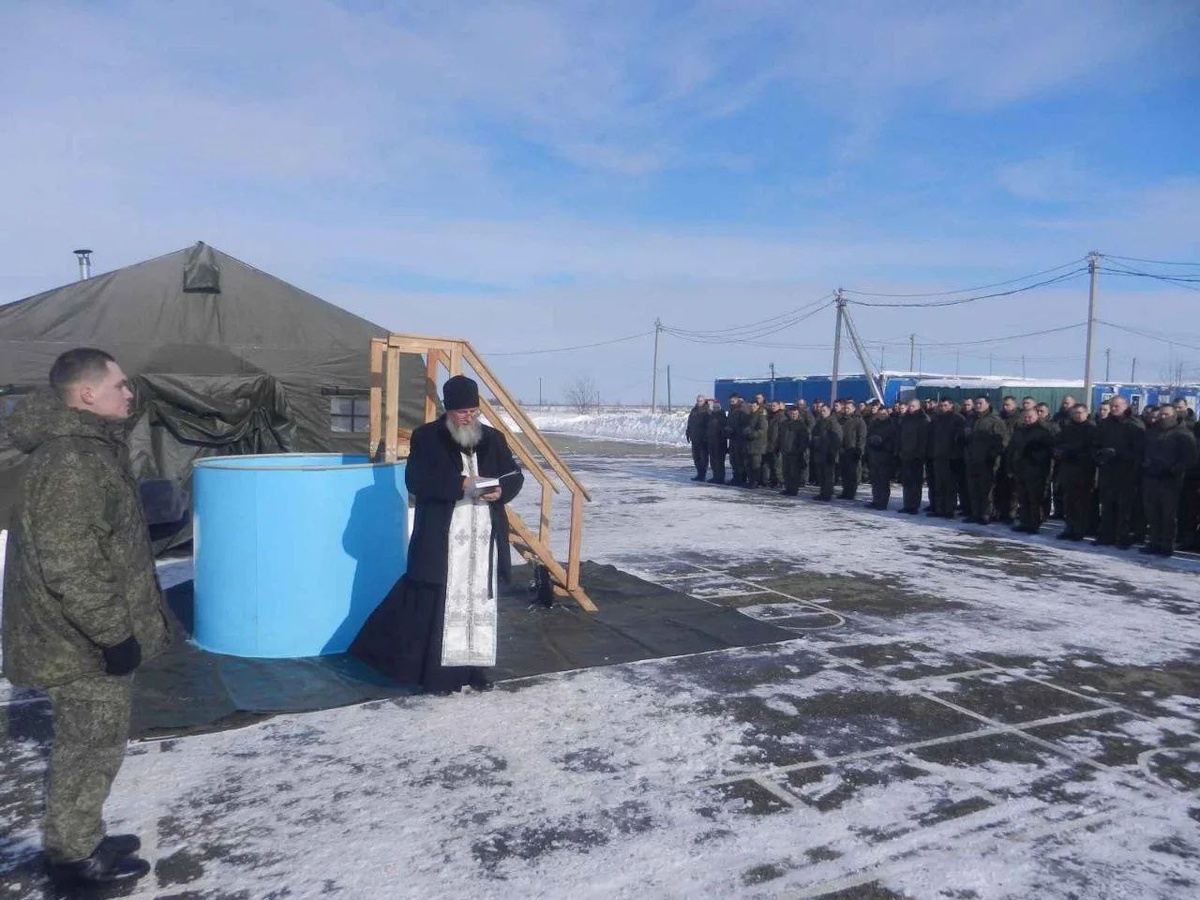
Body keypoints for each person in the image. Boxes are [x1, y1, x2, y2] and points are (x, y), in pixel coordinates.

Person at [2, 348, 169, 887]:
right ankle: (74, 860)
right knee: (88, 747)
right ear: (86, 395)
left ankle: (81, 834)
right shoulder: (72, 459)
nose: (130, 393)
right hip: (78, 642)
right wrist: (113, 634)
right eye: (119, 385)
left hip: (77, 635)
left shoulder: (87, 444)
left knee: (93, 745)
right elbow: (70, 564)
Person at [351, 375, 524, 692]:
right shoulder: (427, 437)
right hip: (443, 539)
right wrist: (460, 485)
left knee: (479, 605)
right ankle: (441, 677)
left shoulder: (494, 438)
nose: (469, 418)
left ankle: (476, 670)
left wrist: (502, 489)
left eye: (473, 411)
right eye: (462, 413)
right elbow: (416, 481)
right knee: (441, 607)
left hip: (482, 539)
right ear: (448, 410)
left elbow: (514, 473)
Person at [1139, 404, 1197, 557]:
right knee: (1152, 513)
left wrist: (1172, 469)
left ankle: (1166, 544)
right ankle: (1154, 541)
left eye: (1166, 415)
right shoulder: (1152, 432)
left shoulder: (1183, 434)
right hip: (1151, 478)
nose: (1163, 417)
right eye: (1161, 415)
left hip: (1170, 481)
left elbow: (1190, 459)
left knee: (1168, 515)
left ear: (1174, 415)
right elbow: (1143, 451)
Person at [1093, 396, 1144, 548]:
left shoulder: (1134, 424)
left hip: (1126, 472)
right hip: (1107, 470)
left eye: (1117, 406)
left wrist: (1118, 453)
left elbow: (1140, 451)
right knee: (1107, 505)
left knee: (1124, 507)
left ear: (1125, 406)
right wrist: (1100, 454)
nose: (1114, 409)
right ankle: (1106, 535)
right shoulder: (1104, 424)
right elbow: (1095, 444)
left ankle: (1122, 537)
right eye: (1112, 406)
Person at [1007, 407, 1055, 533]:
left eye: (1030, 417)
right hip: (1019, 469)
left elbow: (1049, 451)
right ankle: (1024, 522)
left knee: (1034, 499)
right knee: (1022, 498)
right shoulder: (1019, 432)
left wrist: (1035, 455)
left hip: (1035, 470)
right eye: (1025, 417)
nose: (1027, 419)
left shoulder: (1042, 432)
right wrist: (1010, 467)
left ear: (1036, 417)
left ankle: (1034, 524)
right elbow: (1011, 450)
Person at [1054, 404, 1097, 541]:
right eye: (1075, 413)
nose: (1078, 415)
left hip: (1083, 471)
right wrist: (1060, 452)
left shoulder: (1091, 429)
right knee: (1069, 501)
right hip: (1067, 470)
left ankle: (1080, 529)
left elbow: (1093, 451)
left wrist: (1077, 454)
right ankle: (1069, 527)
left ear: (1086, 413)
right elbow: (1057, 443)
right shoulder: (1067, 429)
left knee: (1081, 503)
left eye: (1080, 413)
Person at [896, 398, 929, 514]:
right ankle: (907, 504)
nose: (910, 408)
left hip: (916, 456)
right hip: (905, 454)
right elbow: (900, 437)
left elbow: (924, 440)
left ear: (919, 407)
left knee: (915, 482)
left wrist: (920, 454)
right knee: (907, 482)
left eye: (913, 406)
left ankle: (914, 506)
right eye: (909, 406)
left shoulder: (923, 419)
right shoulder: (905, 419)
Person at [778, 405, 810, 496]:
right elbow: (780, 437)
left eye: (796, 414)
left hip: (795, 453)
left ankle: (793, 490)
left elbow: (804, 440)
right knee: (786, 472)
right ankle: (788, 488)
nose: (794, 415)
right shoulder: (784, 424)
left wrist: (800, 450)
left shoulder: (801, 425)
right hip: (785, 451)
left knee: (794, 473)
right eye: (792, 413)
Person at [685, 394, 710, 481]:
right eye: (698, 401)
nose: (699, 402)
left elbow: (709, 426)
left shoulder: (707, 411)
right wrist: (688, 433)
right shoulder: (694, 410)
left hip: (703, 439)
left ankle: (702, 474)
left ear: (704, 401)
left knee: (703, 458)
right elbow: (690, 423)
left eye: (700, 401)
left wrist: (706, 436)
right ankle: (699, 473)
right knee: (696, 457)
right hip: (694, 438)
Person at [705, 399, 728, 484]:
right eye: (714, 407)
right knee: (713, 461)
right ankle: (715, 476)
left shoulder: (721, 416)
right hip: (712, 442)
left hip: (720, 443)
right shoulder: (712, 416)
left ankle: (720, 478)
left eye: (716, 407)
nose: (714, 408)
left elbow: (723, 429)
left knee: (719, 462)